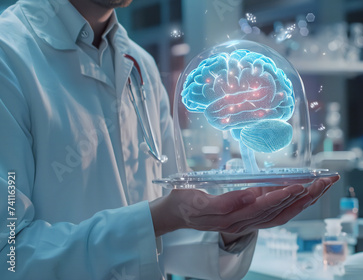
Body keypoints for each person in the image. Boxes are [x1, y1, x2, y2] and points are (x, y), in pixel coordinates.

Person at [0, 0, 339, 279]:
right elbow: (8, 257)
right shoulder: (9, 55)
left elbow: (168, 244)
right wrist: (158, 217)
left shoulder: (140, 65)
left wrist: (229, 229)